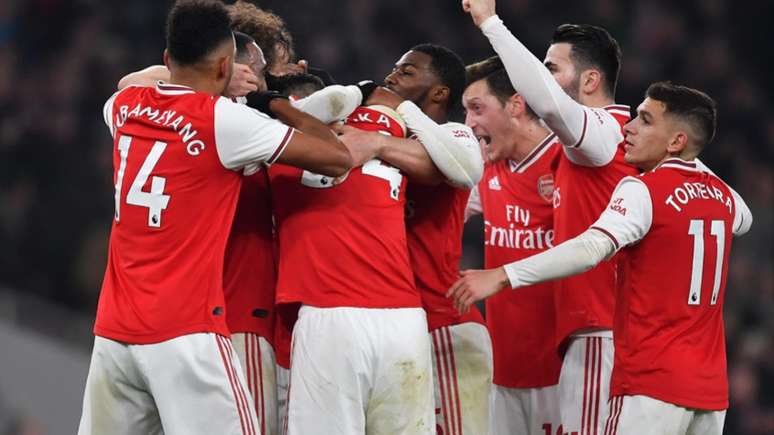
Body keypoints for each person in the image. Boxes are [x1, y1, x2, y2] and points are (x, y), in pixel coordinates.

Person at [77, 1, 352, 434]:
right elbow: (337, 158)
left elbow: (132, 81)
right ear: (227, 66)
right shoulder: (226, 121)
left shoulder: (124, 106)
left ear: (168, 59)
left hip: (113, 335)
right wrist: (270, 101)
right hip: (187, 334)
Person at [448, 82, 753, 435]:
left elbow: (590, 248)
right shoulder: (723, 199)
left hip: (650, 385)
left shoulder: (642, 190)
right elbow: (744, 218)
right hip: (710, 393)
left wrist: (504, 274)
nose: (628, 128)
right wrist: (691, 160)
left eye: (645, 120)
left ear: (676, 141)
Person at [462, 1, 638, 432]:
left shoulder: (605, 135)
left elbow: (552, 106)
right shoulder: (585, 151)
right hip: (563, 340)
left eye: (553, 69)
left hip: (597, 331)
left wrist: (491, 23)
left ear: (591, 80)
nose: (544, 80)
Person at [336, 43, 489, 434]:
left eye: (406, 72)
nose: (391, 78)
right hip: (390, 323)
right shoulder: (372, 134)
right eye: (394, 69)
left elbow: (465, 170)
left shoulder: (453, 134)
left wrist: (397, 118)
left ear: (439, 92)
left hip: (444, 322)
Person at [462, 56, 563, 435]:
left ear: (516, 105)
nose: (470, 123)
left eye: (477, 108)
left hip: (564, 368)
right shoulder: (486, 167)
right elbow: (444, 216)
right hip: (503, 370)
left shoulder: (569, 160)